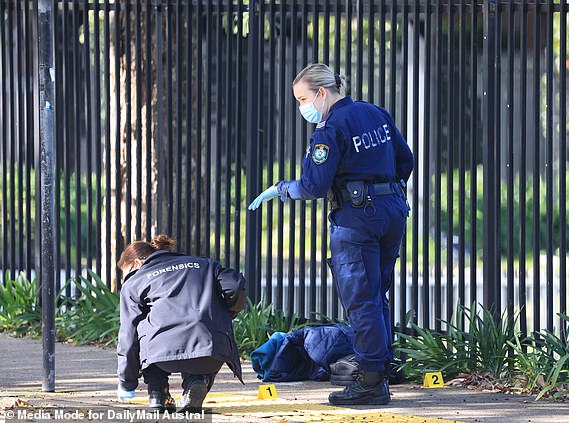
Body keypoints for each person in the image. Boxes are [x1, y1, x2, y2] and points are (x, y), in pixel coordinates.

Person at [248, 63, 414, 405]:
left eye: (303, 98)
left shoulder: (330, 127)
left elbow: (314, 185)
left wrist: (281, 189)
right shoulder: (374, 112)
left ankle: (369, 380)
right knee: (376, 292)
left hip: (356, 219)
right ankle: (381, 367)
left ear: (322, 93)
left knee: (360, 298)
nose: (301, 107)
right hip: (391, 209)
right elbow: (405, 160)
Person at [116, 234, 246, 412]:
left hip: (158, 354)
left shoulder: (136, 280)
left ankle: (157, 393)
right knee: (203, 333)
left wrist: (126, 382)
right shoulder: (206, 265)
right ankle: (197, 381)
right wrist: (226, 313)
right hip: (208, 349)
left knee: (147, 326)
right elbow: (235, 287)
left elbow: (128, 335)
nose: (128, 279)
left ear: (137, 263)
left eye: (128, 273)